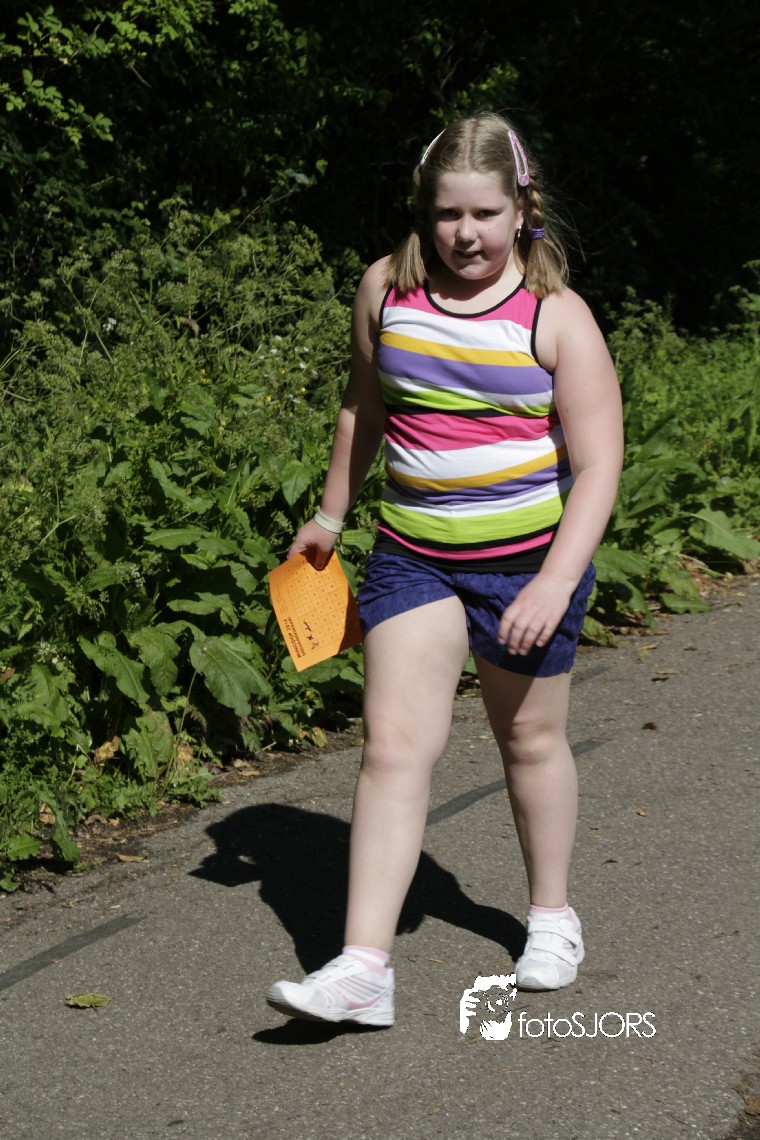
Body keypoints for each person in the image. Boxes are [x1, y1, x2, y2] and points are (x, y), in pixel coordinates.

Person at [266, 110, 624, 1028]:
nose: (466, 234)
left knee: (528, 741)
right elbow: (363, 407)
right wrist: (330, 516)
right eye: (447, 213)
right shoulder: (385, 291)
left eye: (486, 214)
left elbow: (599, 466)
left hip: (527, 567)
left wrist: (554, 581)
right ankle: (363, 968)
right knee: (393, 748)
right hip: (413, 556)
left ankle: (552, 919)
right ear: (424, 211)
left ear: (523, 211)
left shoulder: (554, 316)